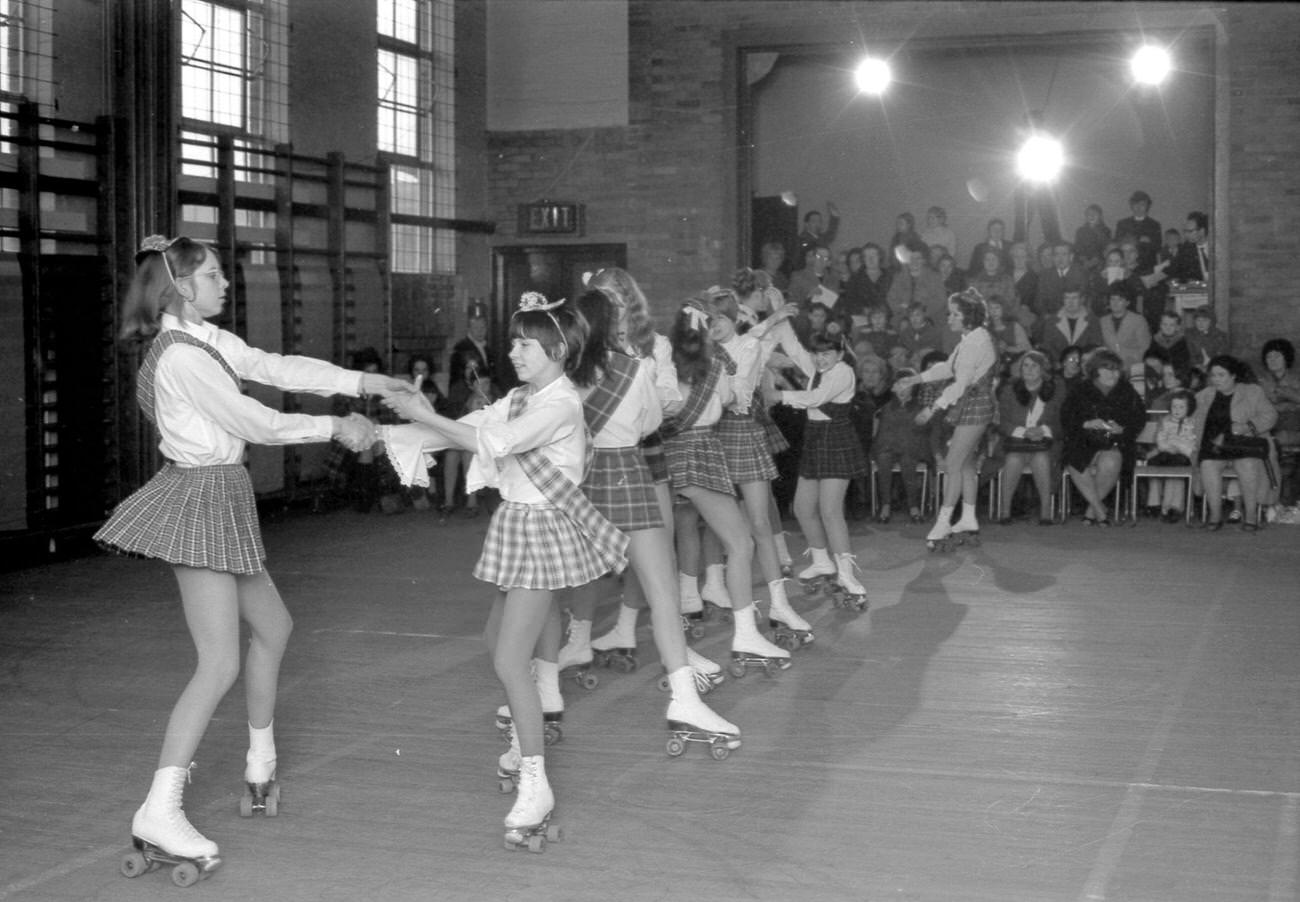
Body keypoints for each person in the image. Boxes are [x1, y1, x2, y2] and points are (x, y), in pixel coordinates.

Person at [94, 235, 406, 873]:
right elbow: (254, 421)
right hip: (200, 500)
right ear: (182, 286)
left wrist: (364, 382)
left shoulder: (209, 342)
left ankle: (259, 762)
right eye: (213, 275)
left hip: (222, 497)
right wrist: (335, 426)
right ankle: (159, 810)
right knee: (217, 664)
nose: (225, 284)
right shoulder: (180, 358)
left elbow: (280, 367)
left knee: (275, 626)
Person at [381, 292, 629, 848]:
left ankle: (536, 779)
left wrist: (420, 414)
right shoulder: (522, 396)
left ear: (559, 349)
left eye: (525, 343)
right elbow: (470, 425)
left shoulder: (560, 405)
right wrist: (391, 433)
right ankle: (525, 739)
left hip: (541, 531)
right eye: (513, 340)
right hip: (518, 526)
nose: (513, 351)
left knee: (511, 659)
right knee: (496, 641)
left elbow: (494, 442)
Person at [553, 288, 739, 749]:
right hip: (629, 477)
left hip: (581, 482)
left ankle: (541, 680)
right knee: (662, 592)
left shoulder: (564, 378)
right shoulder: (635, 369)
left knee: (555, 583)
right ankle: (683, 697)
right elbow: (650, 423)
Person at [662, 298, 793, 674]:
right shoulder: (717, 365)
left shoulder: (666, 364)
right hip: (702, 452)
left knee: (662, 549)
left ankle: (674, 627)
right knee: (740, 543)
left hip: (668, 457)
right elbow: (727, 400)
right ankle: (745, 634)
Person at [707, 289, 814, 644]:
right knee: (715, 524)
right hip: (713, 435)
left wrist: (774, 317)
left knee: (759, 523)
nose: (714, 326)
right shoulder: (706, 353)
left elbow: (735, 396)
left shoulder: (748, 346)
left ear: (734, 319)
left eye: (720, 319)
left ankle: (779, 603)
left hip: (741, 432)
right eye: (709, 320)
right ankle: (715, 588)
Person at [760, 309, 870, 610]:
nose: (820, 359)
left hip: (837, 442)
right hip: (815, 440)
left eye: (827, 353)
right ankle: (822, 561)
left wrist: (780, 396)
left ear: (839, 352)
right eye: (817, 354)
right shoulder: (817, 368)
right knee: (802, 507)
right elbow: (794, 348)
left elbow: (816, 398)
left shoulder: (842, 372)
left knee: (830, 510)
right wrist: (778, 317)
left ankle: (847, 575)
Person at [893, 289, 999, 550]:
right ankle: (968, 519)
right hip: (972, 404)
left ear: (968, 317)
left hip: (975, 406)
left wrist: (933, 409)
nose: (949, 318)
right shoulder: (971, 337)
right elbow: (946, 368)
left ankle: (942, 523)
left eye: (954, 314)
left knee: (952, 463)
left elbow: (959, 384)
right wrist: (915, 378)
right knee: (964, 464)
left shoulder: (975, 341)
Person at [1059, 349, 1147, 526]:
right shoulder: (1080, 389)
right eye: (1107, 369)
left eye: (1115, 370)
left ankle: (1092, 510)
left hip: (1115, 441)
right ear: (1096, 371)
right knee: (1075, 459)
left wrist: (1122, 429)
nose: (1112, 374)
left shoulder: (1127, 391)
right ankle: (1100, 510)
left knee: (1111, 461)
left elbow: (1139, 419)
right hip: (1083, 439)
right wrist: (1087, 423)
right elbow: (1066, 417)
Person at [1192, 355, 1278, 532]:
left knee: (1246, 464)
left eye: (1221, 375)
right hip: (1214, 448)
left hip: (1244, 446)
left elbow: (1271, 416)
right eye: (1213, 375)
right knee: (1207, 465)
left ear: (1234, 376)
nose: (1216, 379)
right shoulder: (1204, 395)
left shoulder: (1252, 392)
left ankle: (1251, 516)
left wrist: (1248, 426)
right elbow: (1185, 409)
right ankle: (1215, 515)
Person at [443, 307, 501, 517]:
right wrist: (468, 398)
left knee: (467, 449)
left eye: (483, 326)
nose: (480, 329)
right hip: (461, 411)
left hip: (482, 430)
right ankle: (449, 500)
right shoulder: (461, 349)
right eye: (476, 326)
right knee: (452, 452)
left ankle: (471, 499)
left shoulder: (490, 350)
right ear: (469, 327)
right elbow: (457, 383)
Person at [996, 350, 1062, 524]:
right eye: (1025, 365)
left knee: (1041, 458)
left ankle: (1046, 512)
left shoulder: (1055, 391)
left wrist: (1043, 430)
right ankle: (1005, 511)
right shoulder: (1009, 391)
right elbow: (1001, 422)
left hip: (1045, 443)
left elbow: (1062, 422)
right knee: (1013, 460)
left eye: (1034, 366)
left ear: (1043, 369)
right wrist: (1024, 432)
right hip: (1014, 442)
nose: (1029, 369)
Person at [871, 366, 929, 524]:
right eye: (900, 384)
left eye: (908, 384)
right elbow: (882, 433)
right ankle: (885, 505)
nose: (903, 389)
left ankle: (914, 506)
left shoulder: (920, 407)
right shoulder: (887, 408)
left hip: (911, 448)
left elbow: (921, 432)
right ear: (894, 387)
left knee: (908, 463)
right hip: (888, 447)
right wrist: (885, 446)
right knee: (883, 461)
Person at [1143, 389, 1198, 522]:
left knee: (1177, 468)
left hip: (1183, 455)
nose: (1177, 410)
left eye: (1181, 407)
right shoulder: (1165, 421)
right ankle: (1153, 502)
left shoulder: (1192, 423)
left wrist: (1177, 445)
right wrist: (1168, 447)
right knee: (1153, 463)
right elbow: (1160, 439)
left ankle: (1173, 506)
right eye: (1174, 406)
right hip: (1165, 451)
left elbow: (1191, 443)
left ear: (1189, 408)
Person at [1036, 288, 1102, 365]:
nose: (1070, 302)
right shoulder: (1051, 321)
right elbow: (1047, 347)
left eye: (1074, 298)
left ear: (1082, 299)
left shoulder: (1093, 321)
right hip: (1058, 367)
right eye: (1067, 298)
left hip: (1083, 366)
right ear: (1063, 300)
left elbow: (1095, 346)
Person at [1099, 281, 1152, 371]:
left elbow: (1145, 348)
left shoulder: (1138, 320)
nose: (1115, 303)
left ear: (1127, 302)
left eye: (1120, 300)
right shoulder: (1103, 321)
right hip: (1109, 367)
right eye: (1112, 299)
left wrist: (1132, 363)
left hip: (1133, 366)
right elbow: (1102, 347)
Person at [886, 246, 947, 323]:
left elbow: (940, 301)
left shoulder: (935, 277)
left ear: (924, 260)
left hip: (929, 319)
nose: (914, 261)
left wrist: (920, 315)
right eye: (910, 258)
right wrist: (905, 313)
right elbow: (891, 299)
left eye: (918, 258)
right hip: (903, 318)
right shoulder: (898, 276)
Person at [1034, 241, 1088, 320]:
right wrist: (1045, 315)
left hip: (1075, 318)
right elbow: (1039, 301)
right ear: (1053, 257)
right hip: (1051, 318)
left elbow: (1084, 301)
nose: (1060, 259)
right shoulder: (1045, 275)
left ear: (1071, 257)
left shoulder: (1081, 274)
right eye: (1056, 255)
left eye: (1064, 254)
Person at [1114, 190, 1163, 275]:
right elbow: (1118, 243)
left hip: (1147, 266)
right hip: (1126, 265)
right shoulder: (1123, 223)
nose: (1139, 207)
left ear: (1147, 207)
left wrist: (1149, 242)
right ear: (1131, 206)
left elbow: (1158, 246)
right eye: (1136, 204)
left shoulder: (1154, 225)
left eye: (1142, 204)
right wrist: (1140, 239)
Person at [1167, 211, 1212, 284]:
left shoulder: (1217, 246)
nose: (1186, 235)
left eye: (1190, 231)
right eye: (1185, 231)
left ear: (1202, 231)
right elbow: (1178, 272)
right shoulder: (1186, 248)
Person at [1186, 305, 1230, 369]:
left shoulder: (1220, 336)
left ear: (1211, 321)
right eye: (1198, 320)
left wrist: (1211, 362)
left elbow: (1222, 356)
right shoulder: (1189, 334)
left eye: (1205, 320)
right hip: (1194, 369)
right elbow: (1187, 355)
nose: (1201, 323)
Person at [1073, 204, 1112, 273]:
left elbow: (1105, 247)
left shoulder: (1106, 230)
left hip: (1100, 262)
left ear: (1100, 216)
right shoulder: (1080, 231)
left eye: (1095, 214)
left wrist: (1094, 261)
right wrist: (1085, 261)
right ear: (1085, 217)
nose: (1091, 216)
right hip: (1084, 262)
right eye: (1089, 214)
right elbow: (1078, 248)